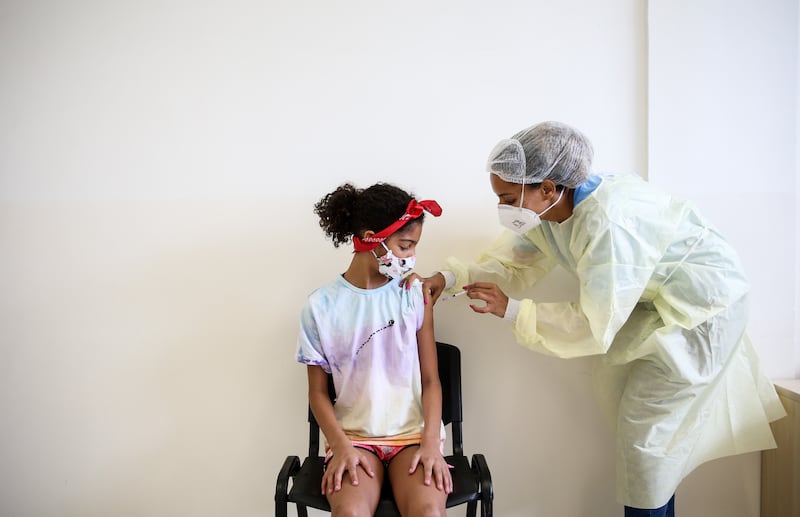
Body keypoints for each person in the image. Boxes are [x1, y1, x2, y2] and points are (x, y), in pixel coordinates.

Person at [405, 121, 786, 516]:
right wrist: (449, 278)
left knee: (647, 445)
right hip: (656, 307)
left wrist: (513, 310)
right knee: (647, 441)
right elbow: (512, 262)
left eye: (506, 197)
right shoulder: (555, 213)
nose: (502, 209)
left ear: (548, 188)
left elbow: (594, 323)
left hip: (701, 313)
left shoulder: (610, 223)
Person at [296, 182, 453, 517]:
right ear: (373, 239)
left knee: (429, 512)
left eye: (414, 247)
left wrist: (430, 444)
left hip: (412, 436)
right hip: (353, 438)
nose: (411, 257)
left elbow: (431, 381)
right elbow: (318, 393)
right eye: (405, 245)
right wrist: (339, 446)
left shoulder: (415, 294)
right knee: (349, 513)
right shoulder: (321, 306)